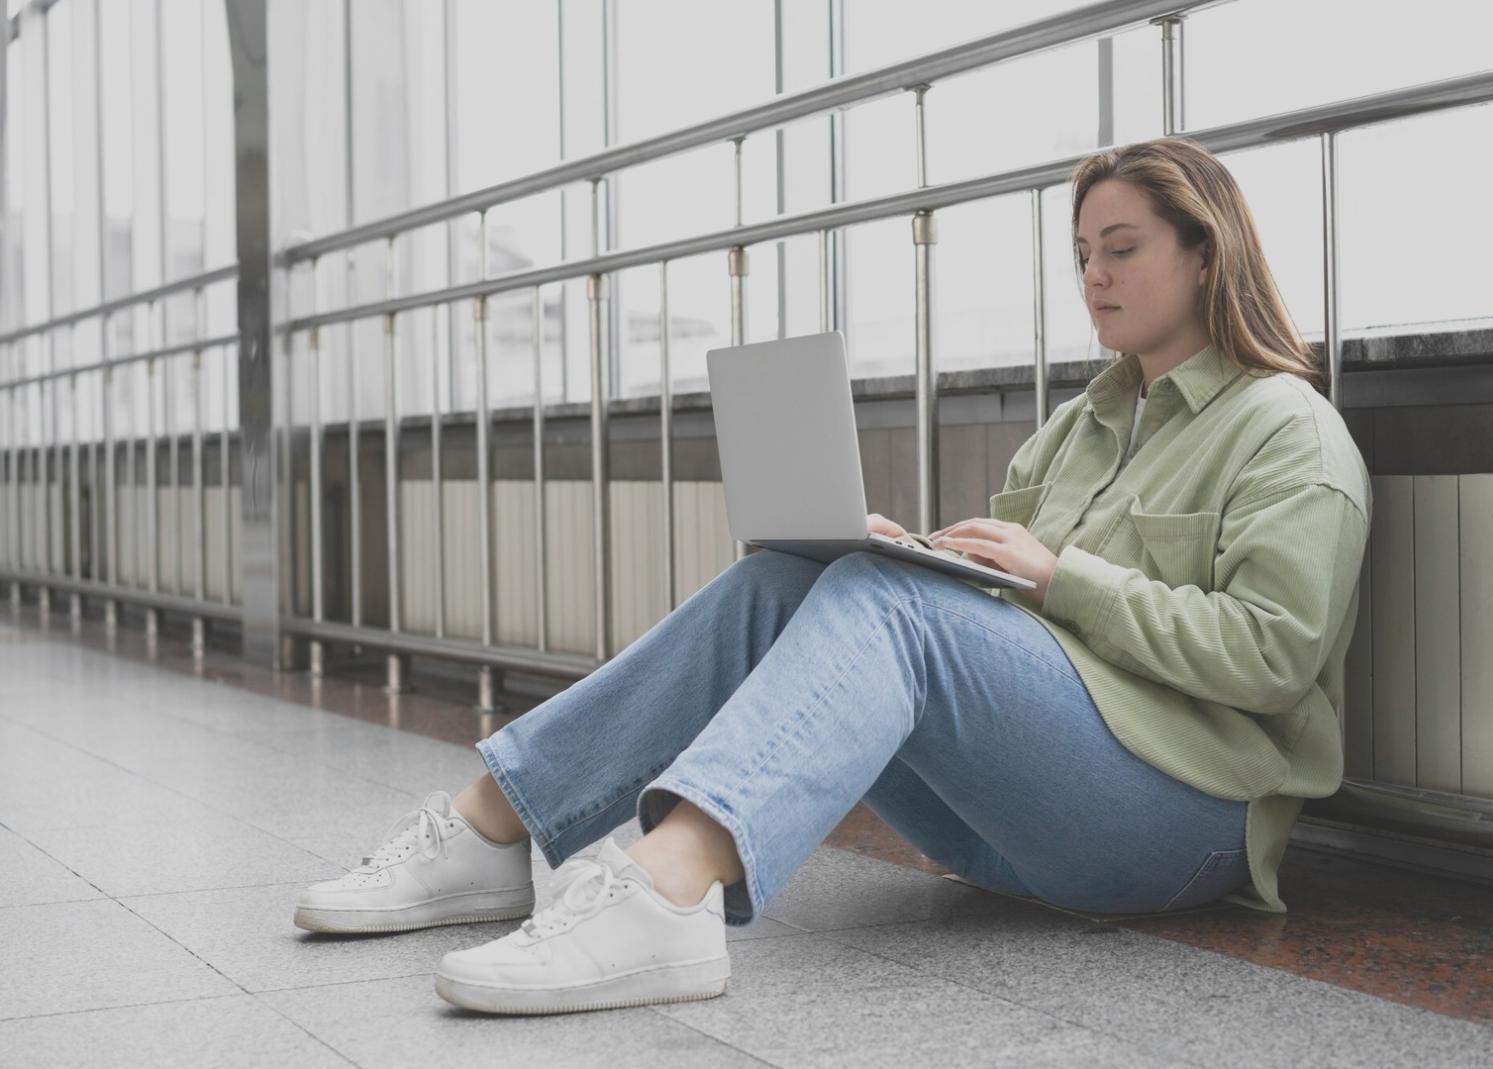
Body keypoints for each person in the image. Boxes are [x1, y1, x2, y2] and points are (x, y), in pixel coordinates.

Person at [292, 136, 1371, 1018]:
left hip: (1181, 824)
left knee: (890, 611)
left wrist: (1058, 580)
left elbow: (1272, 658)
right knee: (787, 587)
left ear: (1202, 252)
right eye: (1081, 251)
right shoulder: (1074, 431)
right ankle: (499, 826)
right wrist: (909, 562)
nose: (1092, 275)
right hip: (1018, 816)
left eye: (1122, 247)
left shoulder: (1286, 432)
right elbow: (1006, 639)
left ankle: (669, 893)